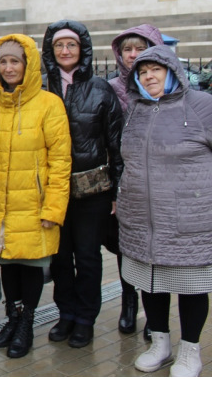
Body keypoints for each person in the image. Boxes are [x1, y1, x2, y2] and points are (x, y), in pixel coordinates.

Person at [0, 34, 71, 359]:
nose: (9, 68)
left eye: (15, 61)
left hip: (33, 205)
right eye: (3, 62)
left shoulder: (49, 104)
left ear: (28, 65)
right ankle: (12, 318)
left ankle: (26, 322)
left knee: (29, 266)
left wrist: (53, 207)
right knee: (7, 264)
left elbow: (60, 161)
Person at [117, 44, 212, 377]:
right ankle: (160, 343)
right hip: (141, 218)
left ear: (172, 71)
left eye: (155, 69)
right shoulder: (136, 110)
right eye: (142, 72)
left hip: (187, 218)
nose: (149, 76)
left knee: (191, 284)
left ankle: (190, 351)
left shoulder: (202, 106)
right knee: (150, 282)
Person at [40, 21, 124, 348]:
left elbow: (116, 142)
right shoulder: (43, 87)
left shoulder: (101, 89)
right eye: (59, 45)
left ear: (82, 49)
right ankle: (66, 314)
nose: (65, 51)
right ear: (50, 50)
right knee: (60, 257)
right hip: (54, 189)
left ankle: (86, 319)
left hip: (92, 191)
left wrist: (116, 190)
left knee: (87, 257)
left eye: (71, 45)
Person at [107, 24, 163, 339]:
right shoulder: (113, 87)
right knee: (123, 246)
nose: (133, 55)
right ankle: (128, 302)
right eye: (127, 49)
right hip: (125, 180)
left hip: (159, 181)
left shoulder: (161, 86)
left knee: (155, 248)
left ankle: (155, 316)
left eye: (139, 49)